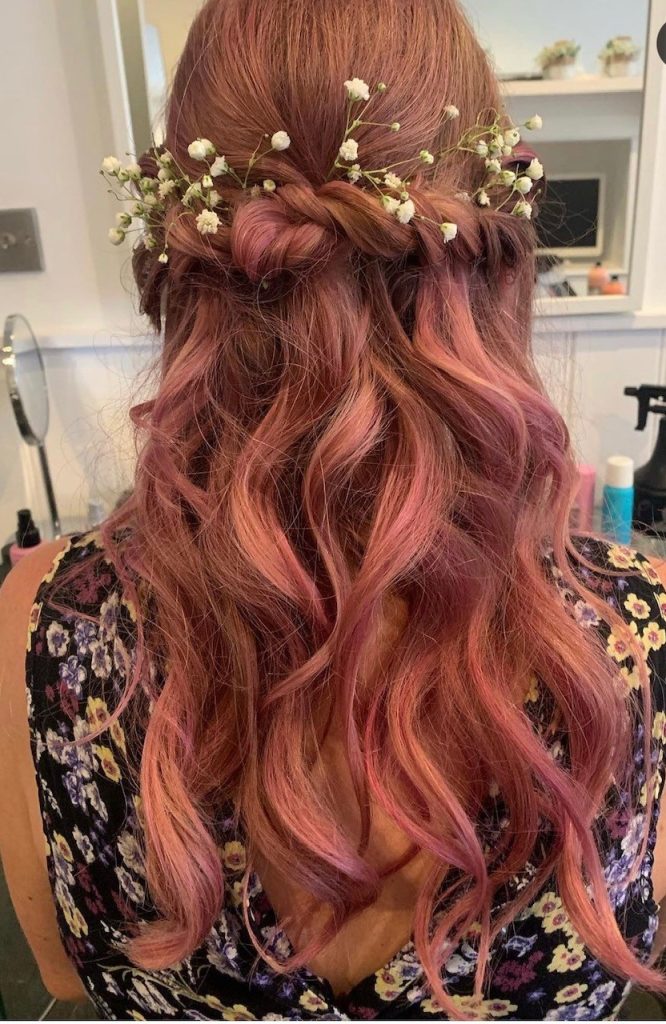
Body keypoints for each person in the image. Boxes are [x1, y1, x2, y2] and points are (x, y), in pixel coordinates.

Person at [1, 0, 666, 1019]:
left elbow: (59, 973)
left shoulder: (39, 624)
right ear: (491, 255)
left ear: (183, 254)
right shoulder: (636, 639)